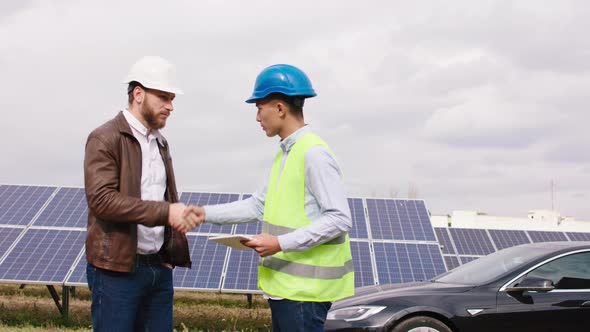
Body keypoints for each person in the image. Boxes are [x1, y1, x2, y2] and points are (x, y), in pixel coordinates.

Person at [184, 64, 354, 331]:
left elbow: (339, 219)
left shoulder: (313, 154)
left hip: (305, 293)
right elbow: (258, 205)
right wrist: (204, 214)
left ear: (279, 108)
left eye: (259, 107)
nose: (257, 117)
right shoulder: (285, 154)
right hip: (287, 290)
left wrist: (280, 242)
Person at [84, 56, 198, 331]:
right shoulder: (105, 138)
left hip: (158, 269)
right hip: (117, 271)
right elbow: (102, 201)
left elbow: (165, 197)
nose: (170, 106)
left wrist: (171, 246)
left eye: (171, 99)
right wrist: (165, 212)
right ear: (138, 94)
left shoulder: (161, 143)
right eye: (163, 97)